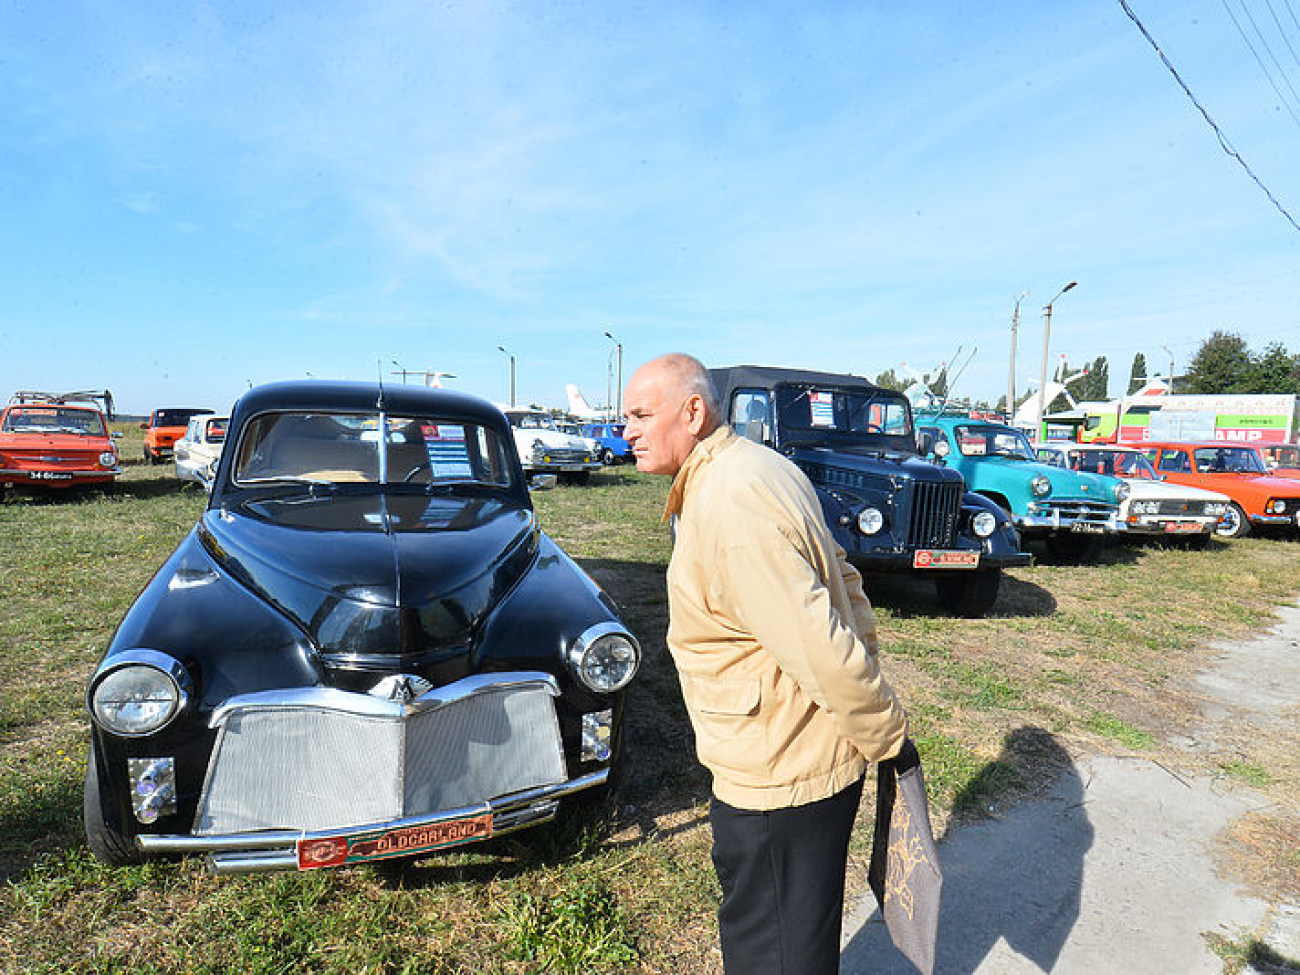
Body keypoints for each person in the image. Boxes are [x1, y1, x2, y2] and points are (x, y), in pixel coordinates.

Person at [622, 353, 911, 975]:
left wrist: (887, 737)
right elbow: (847, 581)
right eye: (626, 418)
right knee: (797, 939)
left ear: (693, 411)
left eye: (642, 414)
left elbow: (817, 643)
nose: (628, 430)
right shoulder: (758, 468)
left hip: (778, 776)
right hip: (800, 755)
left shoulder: (730, 501)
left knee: (774, 954)